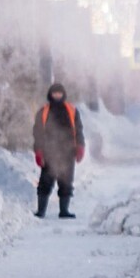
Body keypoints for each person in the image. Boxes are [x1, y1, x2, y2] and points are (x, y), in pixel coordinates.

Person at [32, 83, 85, 219]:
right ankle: (41, 210)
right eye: (55, 93)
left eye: (59, 93)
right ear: (50, 94)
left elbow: (78, 130)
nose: (57, 96)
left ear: (63, 94)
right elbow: (37, 133)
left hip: (68, 152)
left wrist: (80, 147)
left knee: (66, 182)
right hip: (49, 153)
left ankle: (64, 211)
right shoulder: (43, 111)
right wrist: (38, 151)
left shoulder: (72, 111)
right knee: (45, 182)